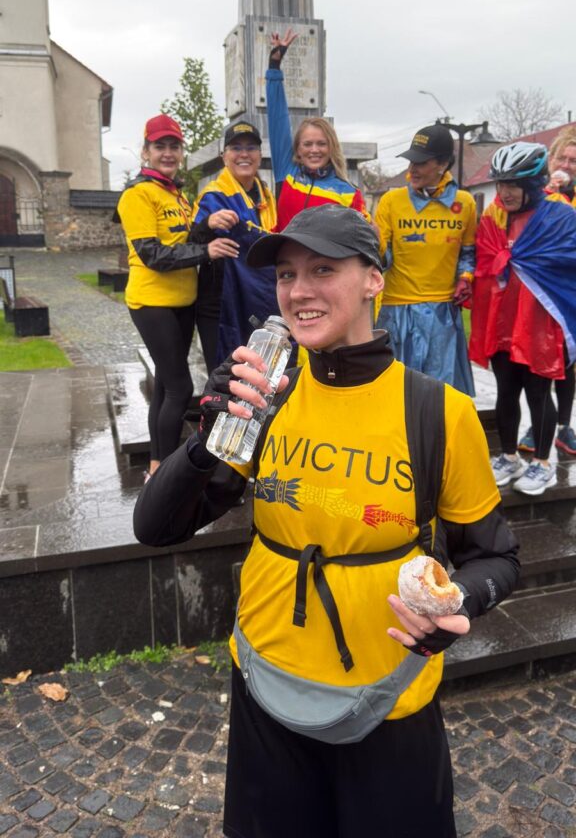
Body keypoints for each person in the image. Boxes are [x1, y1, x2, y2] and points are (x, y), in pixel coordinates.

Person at [133, 204, 519, 838]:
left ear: (373, 279)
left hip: (388, 697)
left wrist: (459, 604)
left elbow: (496, 558)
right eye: (286, 274)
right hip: (264, 679)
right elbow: (155, 526)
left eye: (323, 269)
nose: (299, 291)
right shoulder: (266, 400)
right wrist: (206, 437)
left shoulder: (438, 412)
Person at [115, 114, 239, 477]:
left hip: (183, 302)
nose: (168, 153)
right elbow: (152, 254)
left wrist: (206, 226)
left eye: (174, 146)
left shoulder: (176, 195)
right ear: (146, 151)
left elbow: (182, 242)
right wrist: (207, 251)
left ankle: (156, 467)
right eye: (160, 146)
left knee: (166, 386)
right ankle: (167, 475)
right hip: (152, 302)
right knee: (181, 388)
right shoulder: (137, 194)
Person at [469, 142, 576, 495]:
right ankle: (509, 456)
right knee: (506, 391)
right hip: (503, 320)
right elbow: (484, 259)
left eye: (513, 184)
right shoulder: (494, 217)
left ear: (533, 184)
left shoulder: (560, 216)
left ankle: (542, 463)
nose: (504, 192)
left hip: (541, 324)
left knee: (538, 393)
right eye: (501, 183)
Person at [374, 124, 477, 395]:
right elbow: (382, 260)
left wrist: (465, 278)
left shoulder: (465, 204)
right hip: (398, 311)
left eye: (421, 162)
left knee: (440, 395)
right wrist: (373, 243)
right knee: (394, 391)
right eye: (411, 161)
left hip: (443, 314)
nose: (412, 169)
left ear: (442, 164)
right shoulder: (391, 201)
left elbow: (468, 254)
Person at [191, 120, 279, 373]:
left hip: (260, 301)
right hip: (221, 304)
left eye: (251, 148)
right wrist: (208, 224)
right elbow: (192, 243)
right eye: (236, 148)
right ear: (224, 156)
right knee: (225, 376)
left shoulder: (267, 196)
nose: (244, 154)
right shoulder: (213, 196)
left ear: (259, 155)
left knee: (260, 375)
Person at [265, 29, 369, 230]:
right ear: (298, 149)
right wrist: (274, 67)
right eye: (307, 144)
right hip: (283, 251)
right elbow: (277, 118)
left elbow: (364, 240)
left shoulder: (349, 193)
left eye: (321, 143)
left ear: (331, 148)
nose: (314, 150)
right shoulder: (287, 171)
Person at [519, 126, 576, 456]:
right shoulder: (537, 195)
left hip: (569, 291)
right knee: (538, 359)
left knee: (568, 360)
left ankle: (564, 426)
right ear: (550, 160)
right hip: (541, 290)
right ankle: (537, 424)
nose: (566, 165)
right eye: (561, 158)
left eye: (573, 161)